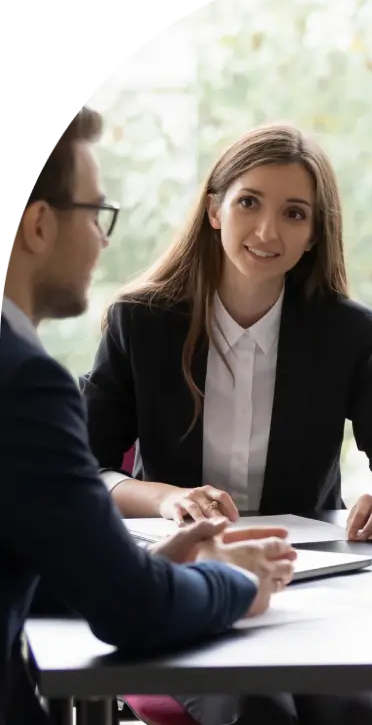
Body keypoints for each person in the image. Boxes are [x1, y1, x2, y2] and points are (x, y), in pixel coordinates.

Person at [80, 121, 372, 725]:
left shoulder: (345, 332)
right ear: (213, 211)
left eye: (294, 214)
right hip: (192, 585)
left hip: (309, 588)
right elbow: (87, 472)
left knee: (350, 709)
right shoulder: (141, 323)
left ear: (313, 236)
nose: (267, 231)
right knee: (259, 707)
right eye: (249, 202)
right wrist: (169, 499)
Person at [1, 107, 297, 725]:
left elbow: (35, 550)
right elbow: (131, 611)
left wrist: (135, 564)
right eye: (95, 213)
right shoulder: (24, 382)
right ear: (37, 225)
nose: (104, 239)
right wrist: (233, 578)